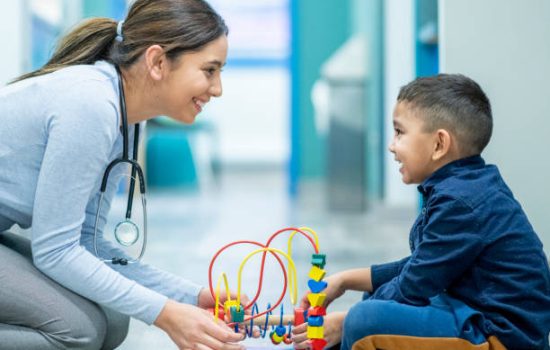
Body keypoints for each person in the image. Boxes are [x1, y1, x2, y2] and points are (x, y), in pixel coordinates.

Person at [0, 0, 251, 349]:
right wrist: (165, 313)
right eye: (209, 70)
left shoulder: (126, 115)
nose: (217, 88)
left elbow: (86, 241)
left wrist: (190, 297)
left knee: (113, 319)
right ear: (158, 62)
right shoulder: (90, 104)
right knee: (77, 331)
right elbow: (55, 250)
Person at [291, 74, 550, 350]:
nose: (392, 145)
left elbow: (413, 286)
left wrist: (346, 321)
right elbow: (421, 267)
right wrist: (344, 280)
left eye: (400, 133)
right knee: (373, 302)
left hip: (499, 337)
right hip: (476, 316)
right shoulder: (464, 187)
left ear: (439, 144)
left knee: (364, 320)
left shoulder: (461, 202)